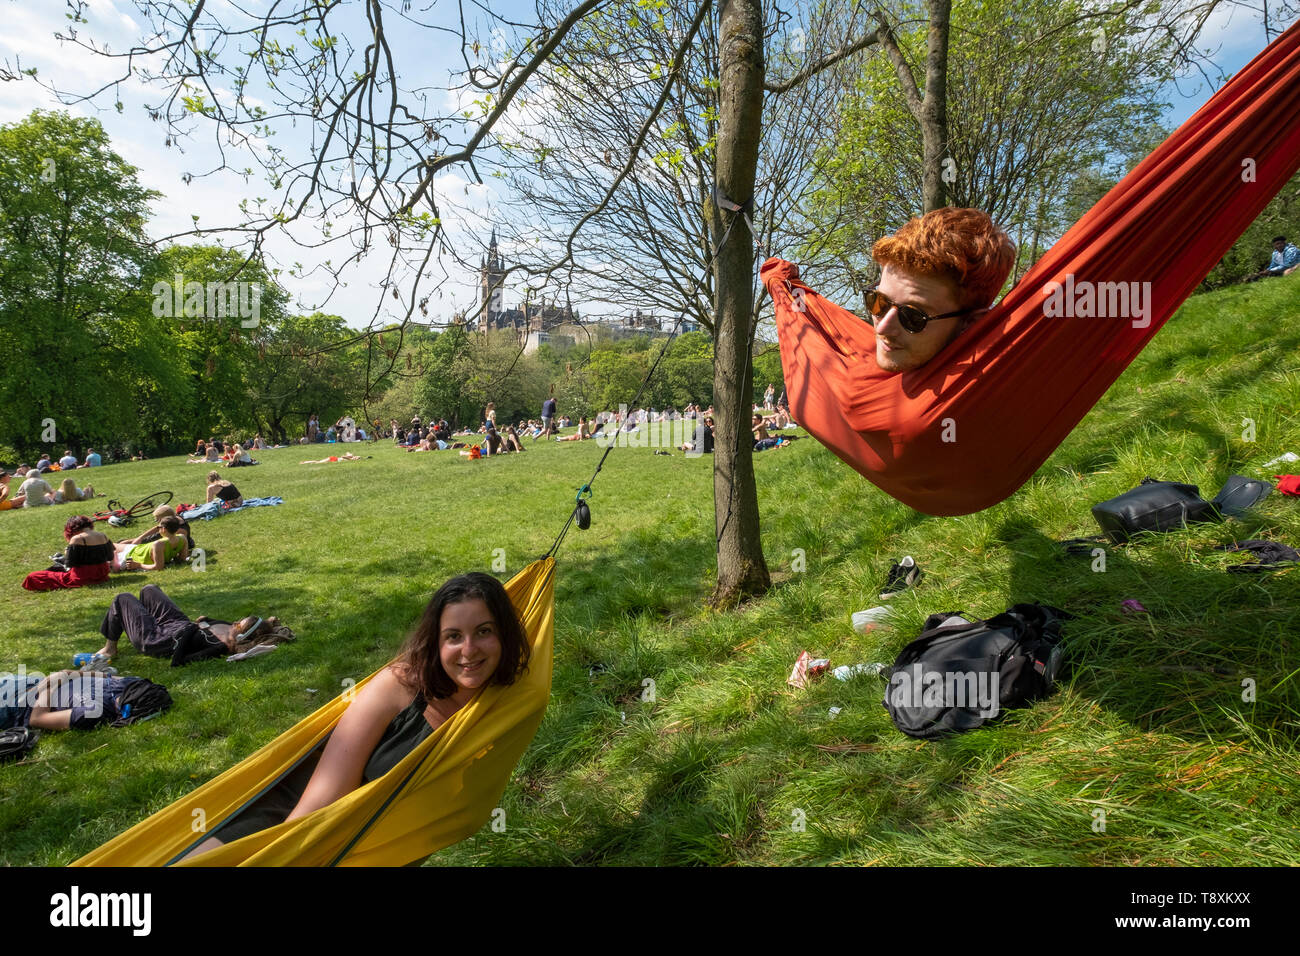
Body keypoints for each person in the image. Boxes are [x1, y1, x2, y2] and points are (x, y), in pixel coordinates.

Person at [180, 571, 530, 859]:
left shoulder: (500, 705)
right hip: (288, 826)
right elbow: (321, 800)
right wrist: (282, 857)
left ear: (503, 635)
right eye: (453, 637)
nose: (469, 650)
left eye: (484, 632)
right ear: (436, 644)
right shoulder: (398, 688)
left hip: (369, 852)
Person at [840, 206, 1016, 374]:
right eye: (877, 302)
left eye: (912, 316)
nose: (882, 328)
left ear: (970, 324)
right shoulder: (849, 364)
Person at [94, 584, 263, 661]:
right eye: (239, 620)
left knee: (123, 598)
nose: (235, 622)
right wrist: (204, 622)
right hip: (177, 624)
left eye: (239, 624)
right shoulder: (230, 627)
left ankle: (110, 648)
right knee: (149, 589)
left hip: (158, 640)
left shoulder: (220, 646)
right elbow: (204, 621)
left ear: (242, 636)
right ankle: (147, 615)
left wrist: (192, 629)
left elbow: (179, 660)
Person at [0, 668, 149, 732]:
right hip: (28, 682)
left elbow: (37, 719)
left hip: (17, 703)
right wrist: (66, 673)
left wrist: (49, 685)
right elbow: (106, 676)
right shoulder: (131, 684)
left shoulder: (94, 712)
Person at [22, 515, 115, 591]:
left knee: (33, 576)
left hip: (84, 577)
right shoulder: (103, 535)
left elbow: (70, 563)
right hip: (102, 574)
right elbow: (110, 557)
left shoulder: (77, 538)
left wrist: (67, 552)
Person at [112, 515, 189, 571]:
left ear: (164, 529)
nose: (158, 529)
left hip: (133, 553)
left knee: (110, 547)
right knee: (113, 545)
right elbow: (182, 559)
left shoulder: (159, 544)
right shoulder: (182, 538)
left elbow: (158, 567)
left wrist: (138, 565)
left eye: (158, 528)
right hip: (139, 549)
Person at [119, 505, 196, 551]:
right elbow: (157, 528)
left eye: (158, 519)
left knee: (125, 544)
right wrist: (140, 538)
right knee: (126, 542)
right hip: (163, 537)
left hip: (164, 542)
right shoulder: (174, 519)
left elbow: (181, 547)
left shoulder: (180, 531)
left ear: (166, 518)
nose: (157, 522)